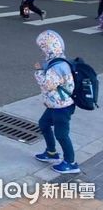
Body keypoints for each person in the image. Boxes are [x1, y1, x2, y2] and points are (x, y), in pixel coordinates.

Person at [33, 30, 80, 174]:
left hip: (62, 107)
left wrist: (38, 71)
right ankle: (51, 152)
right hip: (55, 105)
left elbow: (48, 84)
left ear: (49, 48)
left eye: (43, 48)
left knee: (61, 134)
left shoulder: (57, 66)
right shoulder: (57, 60)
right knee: (44, 124)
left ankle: (71, 163)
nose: (42, 51)